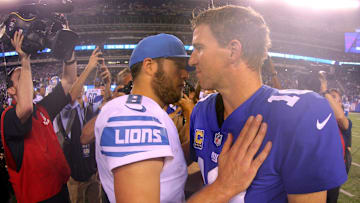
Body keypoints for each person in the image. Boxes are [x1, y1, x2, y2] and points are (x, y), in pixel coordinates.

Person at [188, 5, 347, 202]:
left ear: (233, 50)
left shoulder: (299, 114)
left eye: (199, 48)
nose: (192, 60)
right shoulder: (201, 111)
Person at [94, 33, 272, 203]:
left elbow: (168, 180)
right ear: (149, 66)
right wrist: (224, 186)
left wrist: (203, 156)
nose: (186, 75)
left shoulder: (137, 109)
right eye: (178, 66)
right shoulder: (136, 117)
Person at [0, 31, 77, 202]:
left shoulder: (42, 108)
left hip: (59, 189)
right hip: (37, 199)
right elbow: (25, 107)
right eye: (21, 78)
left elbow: (69, 80)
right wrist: (24, 60)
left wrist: (68, 51)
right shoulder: (8, 117)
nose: (29, 80)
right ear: (11, 90)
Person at [58, 47, 108, 203]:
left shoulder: (87, 108)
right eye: (74, 83)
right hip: (75, 178)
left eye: (79, 82)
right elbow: (70, 98)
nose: (78, 86)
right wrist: (89, 67)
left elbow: (105, 100)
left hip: (91, 174)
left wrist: (107, 81)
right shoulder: (65, 110)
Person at [319, 71, 352, 203]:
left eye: (333, 97)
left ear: (340, 103)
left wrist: (325, 91)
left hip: (332, 173)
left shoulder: (346, 122)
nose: (329, 99)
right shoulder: (319, 118)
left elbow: (340, 117)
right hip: (317, 169)